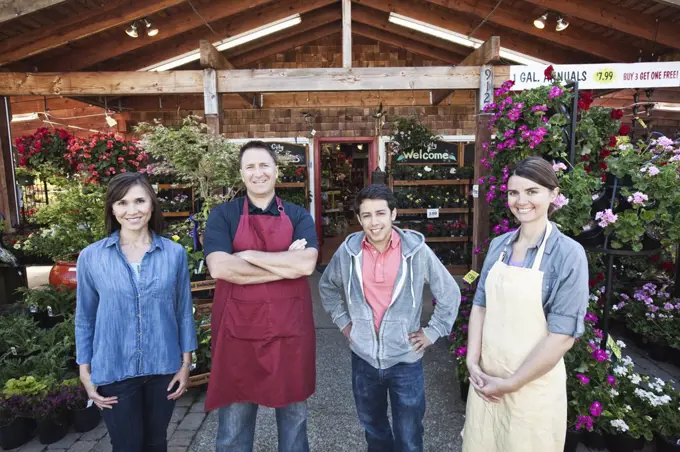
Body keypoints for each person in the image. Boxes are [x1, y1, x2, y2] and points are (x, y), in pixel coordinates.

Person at [319, 184, 461, 452]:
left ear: (393, 214)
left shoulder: (416, 251)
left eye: (380, 213)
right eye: (367, 215)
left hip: (405, 360)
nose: (375, 222)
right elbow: (327, 286)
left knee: (409, 435)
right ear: (359, 219)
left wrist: (433, 331)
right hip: (364, 359)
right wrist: (345, 324)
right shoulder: (349, 252)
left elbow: (450, 292)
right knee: (374, 429)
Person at [462, 156, 589, 452]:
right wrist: (472, 360)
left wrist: (512, 383)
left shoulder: (568, 254)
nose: (521, 201)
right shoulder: (499, 246)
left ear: (553, 195)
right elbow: (481, 306)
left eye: (532, 192)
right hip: (487, 380)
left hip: (533, 388)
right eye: (513, 193)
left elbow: (562, 336)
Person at [203, 140, 318, 452]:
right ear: (242, 175)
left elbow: (306, 263)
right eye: (250, 167)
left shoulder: (297, 216)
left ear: (276, 171)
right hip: (239, 335)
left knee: (294, 424)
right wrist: (284, 266)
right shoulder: (222, 215)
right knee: (233, 430)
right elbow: (221, 268)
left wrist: (248, 255)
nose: (258, 173)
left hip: (289, 334)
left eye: (264, 165)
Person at [75, 172, 198, 452]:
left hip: (163, 367)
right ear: (112, 208)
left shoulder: (174, 253)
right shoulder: (91, 257)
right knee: (127, 446)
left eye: (140, 200)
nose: (132, 210)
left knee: (156, 443)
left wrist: (186, 364)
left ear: (152, 205)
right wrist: (85, 371)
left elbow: (182, 312)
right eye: (122, 202)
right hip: (114, 369)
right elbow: (85, 317)